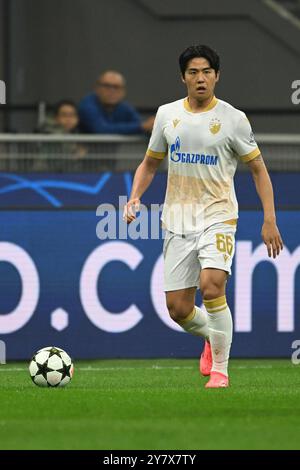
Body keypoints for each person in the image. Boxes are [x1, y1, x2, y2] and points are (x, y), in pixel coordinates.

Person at [123, 45, 283, 388]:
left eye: (207, 72)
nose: (200, 78)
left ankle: (221, 371)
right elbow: (150, 163)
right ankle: (212, 337)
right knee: (178, 309)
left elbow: (258, 170)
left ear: (217, 76)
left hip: (219, 215)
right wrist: (134, 197)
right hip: (178, 219)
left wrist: (269, 219)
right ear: (183, 77)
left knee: (212, 286)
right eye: (193, 72)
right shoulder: (167, 115)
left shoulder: (233, 119)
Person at [79, 70, 154, 134]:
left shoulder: (124, 107)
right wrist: (141, 127)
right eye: (107, 86)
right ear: (97, 88)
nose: (112, 91)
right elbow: (101, 129)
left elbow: (141, 124)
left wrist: (151, 125)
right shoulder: (88, 105)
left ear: (123, 91)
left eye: (116, 87)